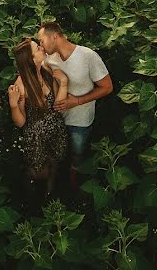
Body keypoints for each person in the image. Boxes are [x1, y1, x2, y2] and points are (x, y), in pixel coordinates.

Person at [37, 21, 114, 189]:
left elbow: (107, 87)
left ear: (54, 37)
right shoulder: (50, 59)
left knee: (77, 156)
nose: (40, 45)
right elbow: (35, 69)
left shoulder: (87, 56)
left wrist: (77, 101)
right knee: (56, 157)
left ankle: (75, 189)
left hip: (80, 121)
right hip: (57, 119)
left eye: (42, 40)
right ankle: (54, 187)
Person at [7, 37, 69, 197]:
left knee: (54, 166)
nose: (42, 48)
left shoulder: (46, 71)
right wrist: (14, 105)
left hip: (55, 130)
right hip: (36, 137)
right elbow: (20, 123)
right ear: (30, 60)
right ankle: (30, 198)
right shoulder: (21, 84)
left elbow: (57, 104)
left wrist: (63, 83)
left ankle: (51, 194)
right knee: (37, 172)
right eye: (37, 49)